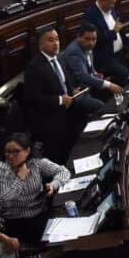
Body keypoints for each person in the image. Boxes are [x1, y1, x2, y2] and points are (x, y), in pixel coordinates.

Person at [23, 27, 106, 164]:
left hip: (67, 107)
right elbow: (33, 98)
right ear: (40, 44)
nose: (56, 43)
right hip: (49, 115)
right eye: (50, 40)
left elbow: (64, 82)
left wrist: (71, 90)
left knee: (92, 112)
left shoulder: (58, 59)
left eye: (57, 39)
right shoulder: (34, 67)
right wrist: (60, 99)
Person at [0, 133, 72, 244]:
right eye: (8, 152)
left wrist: (53, 185)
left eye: (16, 151)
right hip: (17, 222)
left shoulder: (35, 163)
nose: (10, 156)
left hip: (40, 213)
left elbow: (63, 171)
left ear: (27, 151)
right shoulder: (0, 170)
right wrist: (20, 179)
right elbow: (4, 201)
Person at [60, 23, 123, 102]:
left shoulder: (87, 47)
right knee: (100, 104)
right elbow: (83, 76)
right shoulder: (74, 52)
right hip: (76, 92)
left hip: (87, 87)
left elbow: (89, 70)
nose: (91, 43)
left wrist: (95, 74)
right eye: (87, 39)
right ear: (78, 37)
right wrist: (109, 85)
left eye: (94, 39)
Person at [82, 0, 129, 86]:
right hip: (106, 57)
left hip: (119, 54)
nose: (113, 6)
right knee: (124, 75)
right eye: (111, 3)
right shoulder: (90, 14)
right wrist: (113, 32)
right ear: (102, 0)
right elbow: (95, 39)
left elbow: (117, 27)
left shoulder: (111, 10)